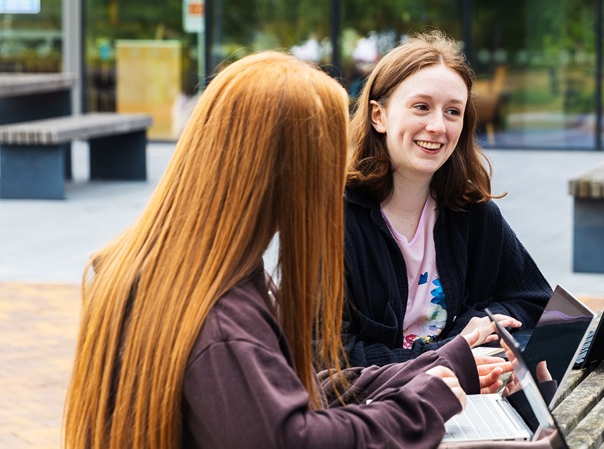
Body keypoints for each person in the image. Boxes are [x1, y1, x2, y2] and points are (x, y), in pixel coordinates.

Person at [63, 52, 495, 449]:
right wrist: (418, 411)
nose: (334, 181)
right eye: (324, 160)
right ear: (282, 170)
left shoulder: (180, 269)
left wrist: (441, 366)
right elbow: (288, 436)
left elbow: (295, 389)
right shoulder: (220, 316)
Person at [342, 30, 552, 366]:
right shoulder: (335, 221)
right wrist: (450, 355)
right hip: (378, 410)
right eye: (421, 107)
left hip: (468, 398)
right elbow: (329, 358)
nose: (438, 126)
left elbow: (534, 300)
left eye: (453, 111)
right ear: (378, 116)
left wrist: (480, 323)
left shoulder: (471, 211)